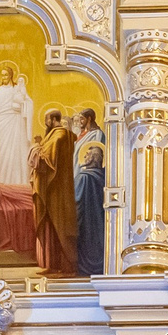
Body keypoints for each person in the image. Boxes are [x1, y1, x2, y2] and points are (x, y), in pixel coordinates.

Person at [32, 107, 78, 276]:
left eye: (47, 119)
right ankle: (52, 264)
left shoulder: (59, 136)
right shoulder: (57, 135)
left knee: (60, 226)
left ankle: (68, 266)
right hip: (54, 188)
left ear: (52, 119)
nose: (45, 122)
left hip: (56, 189)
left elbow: (46, 160)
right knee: (51, 227)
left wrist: (36, 149)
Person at [72, 110, 107, 275]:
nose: (79, 122)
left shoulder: (97, 135)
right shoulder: (80, 136)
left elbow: (97, 151)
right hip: (78, 177)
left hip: (83, 182)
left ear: (89, 119)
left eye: (82, 119)